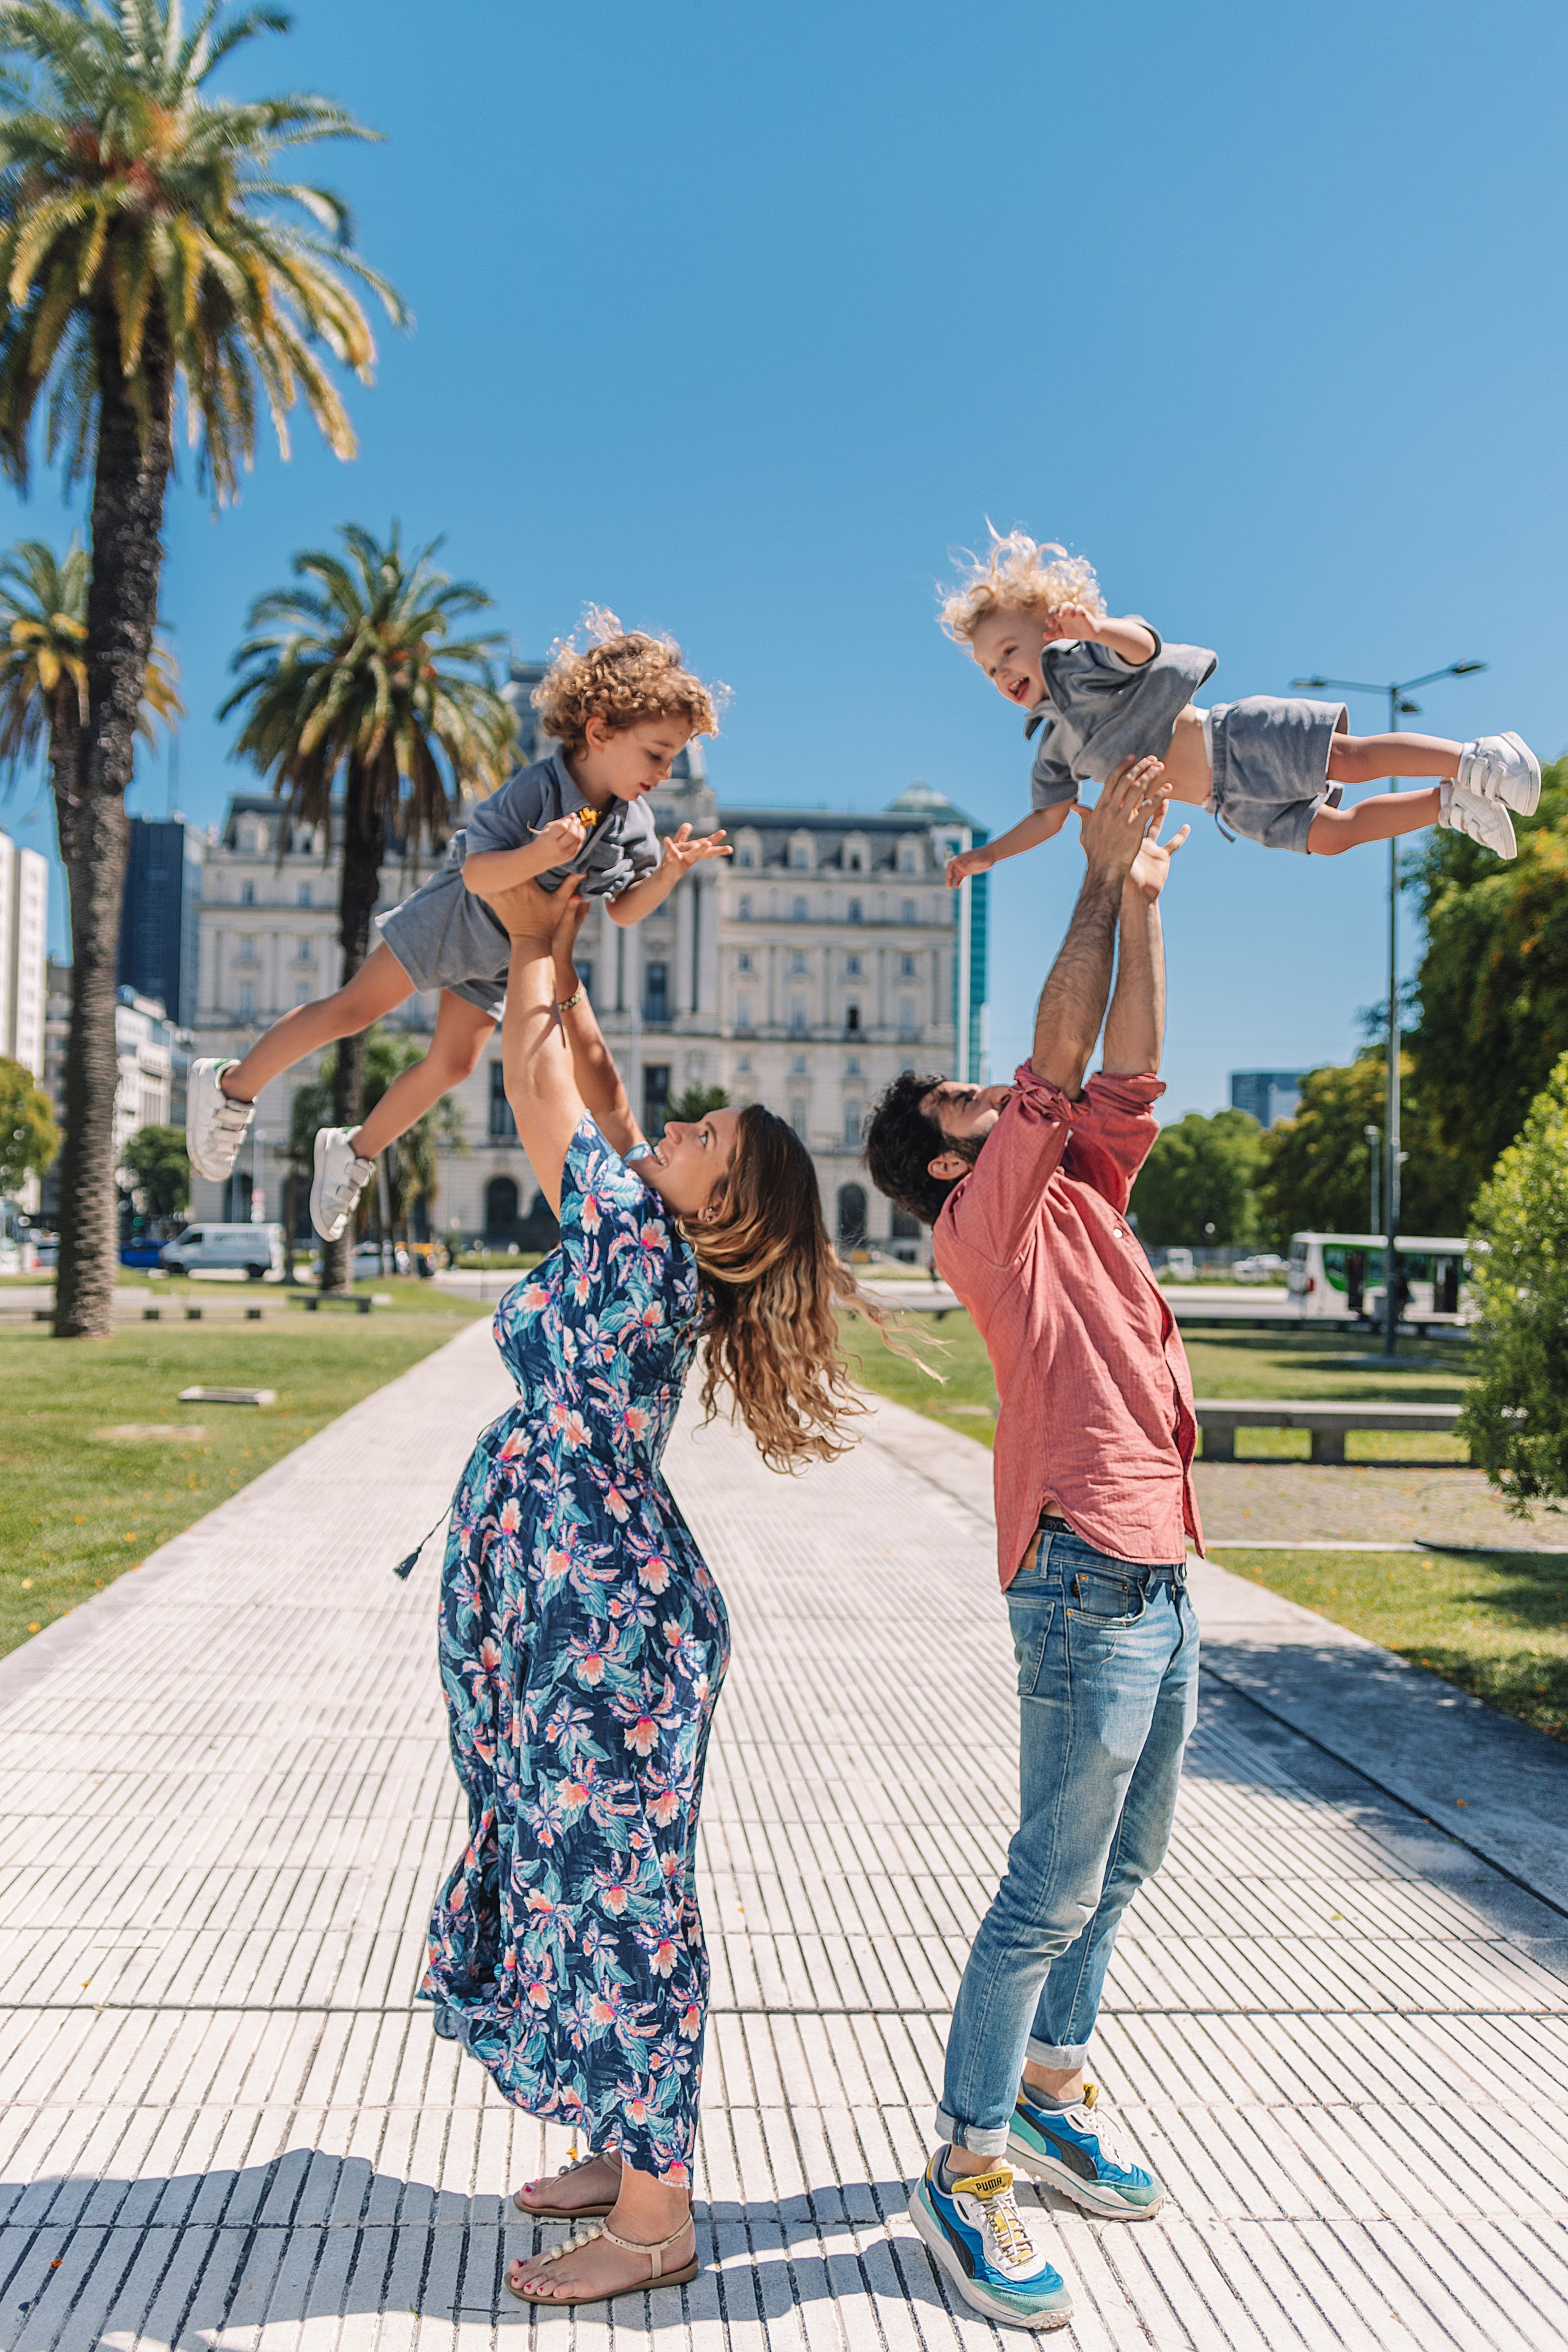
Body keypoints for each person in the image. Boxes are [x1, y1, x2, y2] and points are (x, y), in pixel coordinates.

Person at [421, 869, 891, 2310]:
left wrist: (540, 921)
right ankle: (618, 2137)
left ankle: (655, 2211)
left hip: (604, 1623)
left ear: (723, 1204)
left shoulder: (632, 1234)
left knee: (623, 1895)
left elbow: (532, 1061)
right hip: (577, 1604)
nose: (677, 1128)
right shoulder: (646, 1222)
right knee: (577, 1870)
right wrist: (567, 916)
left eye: (704, 1140)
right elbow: (605, 1077)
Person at [862, 758, 1200, 2334]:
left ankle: (1053, 2091)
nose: (1002, 1097)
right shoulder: (981, 1217)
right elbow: (1063, 1056)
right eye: (970, 1106)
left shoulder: (1075, 1185)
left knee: (1121, 1866)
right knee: (1043, 1888)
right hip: (1077, 1564)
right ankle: (967, 2157)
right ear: (946, 1159)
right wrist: (1087, 862)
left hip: (1161, 1559)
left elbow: (1122, 1064)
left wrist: (1134, 896)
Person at [184, 614, 731, 1240]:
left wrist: (665, 876)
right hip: (456, 917)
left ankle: (355, 1150)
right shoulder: (537, 788)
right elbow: (477, 872)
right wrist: (541, 856)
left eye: (674, 760)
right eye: (657, 754)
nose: (664, 774)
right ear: (600, 732)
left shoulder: (633, 823)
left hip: (504, 955)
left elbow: (620, 910)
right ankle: (231, 1086)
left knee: (451, 1065)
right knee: (353, 1009)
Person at [940, 530, 1539, 891]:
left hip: (1233, 741)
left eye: (1008, 652)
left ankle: (1476, 758)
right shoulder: (1053, 748)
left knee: (1348, 762)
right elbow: (1047, 818)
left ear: (1050, 632)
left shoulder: (1086, 660)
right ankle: (1445, 805)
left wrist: (1096, 628)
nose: (1002, 674)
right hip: (1225, 803)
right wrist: (988, 854)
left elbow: (1144, 648)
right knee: (1331, 839)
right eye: (990, 670)